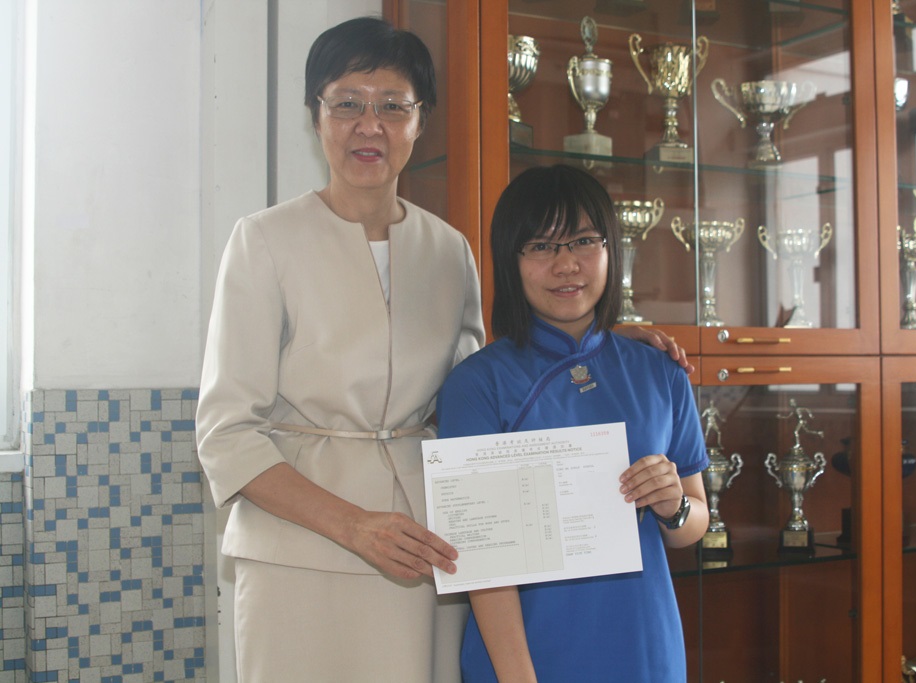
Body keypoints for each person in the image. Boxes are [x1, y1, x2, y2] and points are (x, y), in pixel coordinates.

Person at [196, 17, 691, 682]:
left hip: (425, 551)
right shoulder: (264, 241)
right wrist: (354, 526)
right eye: (347, 103)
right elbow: (226, 434)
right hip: (300, 550)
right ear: (316, 115)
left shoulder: (448, 249)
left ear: (420, 120)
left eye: (392, 106)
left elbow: (486, 389)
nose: (369, 126)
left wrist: (604, 340)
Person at [436, 164, 710, 682]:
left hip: (645, 648)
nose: (566, 265)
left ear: (611, 250)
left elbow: (693, 525)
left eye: (584, 241)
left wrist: (673, 506)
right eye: (541, 246)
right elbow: (481, 561)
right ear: (511, 260)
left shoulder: (660, 370)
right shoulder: (476, 385)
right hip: (527, 659)